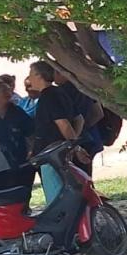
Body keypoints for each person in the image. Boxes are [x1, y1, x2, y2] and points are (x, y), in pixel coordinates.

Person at [27, 61, 82, 203]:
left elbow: (63, 124)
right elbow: (79, 119)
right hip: (57, 152)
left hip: (52, 154)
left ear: (39, 75)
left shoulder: (49, 96)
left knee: (56, 197)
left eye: (31, 74)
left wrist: (74, 146)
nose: (29, 78)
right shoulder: (59, 92)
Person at [55, 73, 104, 176]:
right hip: (88, 138)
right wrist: (85, 128)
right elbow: (98, 113)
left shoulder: (61, 92)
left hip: (72, 141)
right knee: (85, 176)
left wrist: (76, 131)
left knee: (75, 179)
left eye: (55, 72)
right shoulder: (85, 87)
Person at [0, 81, 35, 168]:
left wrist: (32, 151)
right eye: (4, 90)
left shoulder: (17, 112)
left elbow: (31, 132)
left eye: (9, 91)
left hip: (19, 160)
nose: (8, 93)